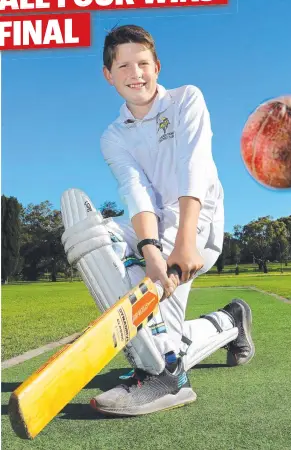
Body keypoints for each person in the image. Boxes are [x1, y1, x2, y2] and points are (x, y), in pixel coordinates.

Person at [62, 24, 255, 417]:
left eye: (143, 63)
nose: (136, 73)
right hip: (154, 222)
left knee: (161, 331)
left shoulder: (187, 100)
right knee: (99, 235)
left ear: (157, 66)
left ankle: (169, 377)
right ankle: (228, 321)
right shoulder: (113, 136)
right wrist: (149, 250)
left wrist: (183, 242)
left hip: (198, 219)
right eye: (124, 66)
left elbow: (194, 167)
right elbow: (137, 193)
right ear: (108, 75)